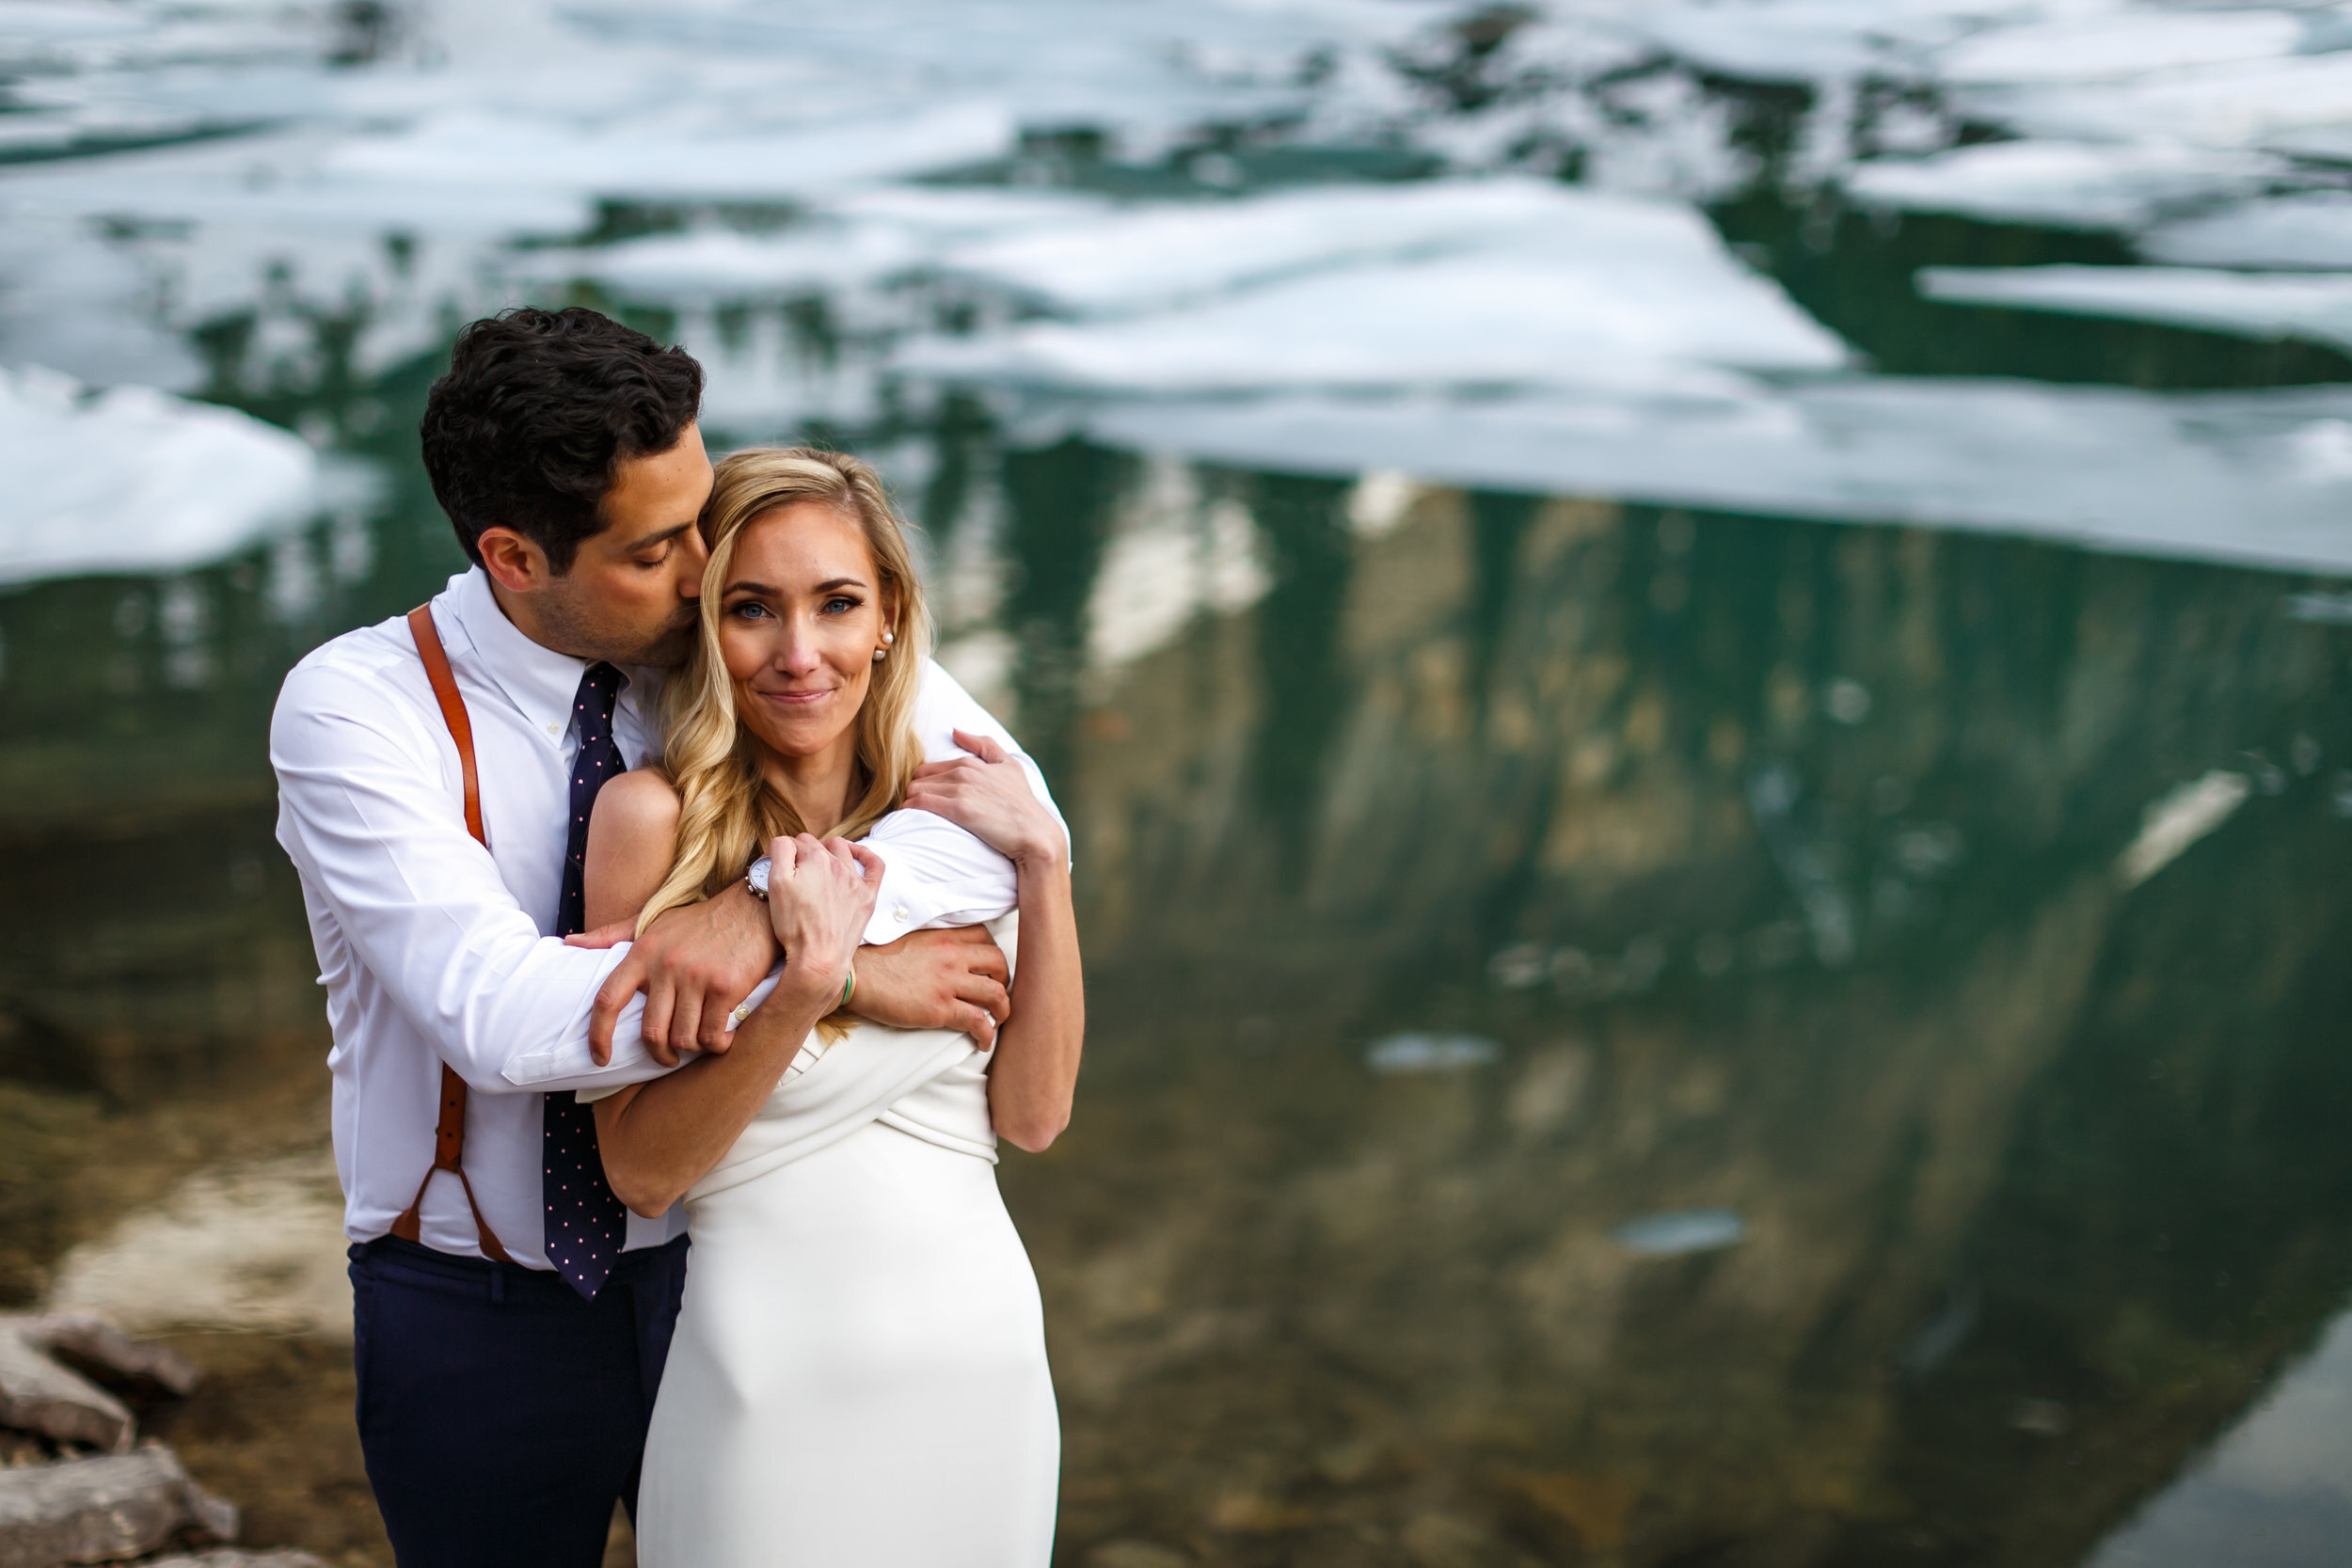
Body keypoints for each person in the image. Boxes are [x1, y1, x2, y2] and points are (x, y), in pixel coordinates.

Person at [269, 308, 1054, 1568]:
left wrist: (777, 914)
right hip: (477, 1303)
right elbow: (509, 1016)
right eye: (656, 546)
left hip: (725, 1272)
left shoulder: (739, 633)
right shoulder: (358, 708)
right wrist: (838, 964)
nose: (704, 566)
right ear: (515, 556)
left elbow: (1009, 810)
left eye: (700, 516)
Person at [571, 447, 1082, 1567]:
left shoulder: (969, 815)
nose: (799, 655)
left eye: (837, 603)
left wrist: (1045, 863)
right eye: (752, 609)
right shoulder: (648, 822)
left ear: (889, 616)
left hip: (978, 1352)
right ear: (706, 625)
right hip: (763, 1376)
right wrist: (812, 984)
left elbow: (1035, 1117)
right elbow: (644, 1173)